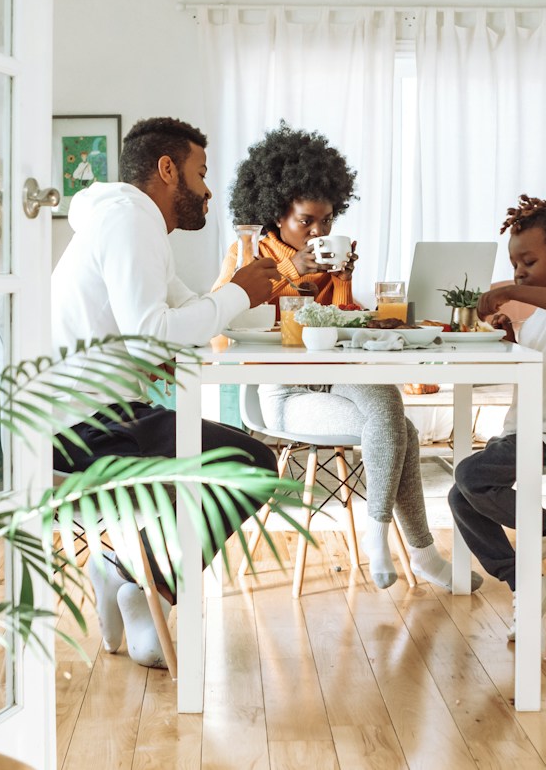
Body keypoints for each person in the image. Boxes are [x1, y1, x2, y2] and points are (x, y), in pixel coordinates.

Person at [52, 116, 281, 668]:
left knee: (236, 457)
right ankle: (136, 582)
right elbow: (155, 332)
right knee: (252, 464)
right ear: (166, 169)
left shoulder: (129, 222)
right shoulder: (131, 222)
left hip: (96, 413)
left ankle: (128, 574)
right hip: (77, 429)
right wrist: (237, 292)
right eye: (201, 174)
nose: (206, 191)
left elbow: (177, 314)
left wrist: (231, 298)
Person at [212, 124, 463, 590]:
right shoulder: (246, 254)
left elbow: (337, 327)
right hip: (282, 391)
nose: (318, 231)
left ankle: (379, 536)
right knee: (400, 428)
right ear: (275, 211)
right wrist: (289, 270)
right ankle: (417, 552)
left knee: (389, 403)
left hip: (334, 377)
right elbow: (221, 327)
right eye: (306, 220)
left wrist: (344, 280)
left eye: (327, 221)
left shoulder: (328, 258)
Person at [446, 193, 546, 639]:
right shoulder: (538, 318)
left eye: (528, 262)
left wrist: (512, 292)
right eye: (515, 265)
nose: (518, 273)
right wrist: (511, 333)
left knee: (471, 477)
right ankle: (526, 582)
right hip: (522, 431)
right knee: (461, 496)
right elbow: (533, 365)